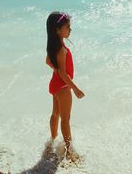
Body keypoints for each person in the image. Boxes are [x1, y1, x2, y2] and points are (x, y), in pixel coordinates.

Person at [46, 11, 85, 160]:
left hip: (55, 85)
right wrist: (75, 89)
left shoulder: (53, 46)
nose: (70, 29)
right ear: (57, 30)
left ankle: (52, 139)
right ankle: (69, 151)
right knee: (66, 119)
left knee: (55, 114)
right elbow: (63, 74)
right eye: (67, 27)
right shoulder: (61, 50)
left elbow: (48, 62)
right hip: (63, 87)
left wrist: (57, 69)